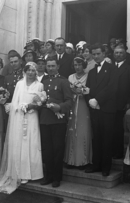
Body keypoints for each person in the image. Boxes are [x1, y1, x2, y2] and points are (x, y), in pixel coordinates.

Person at [0, 62, 44, 194]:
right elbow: (15, 102)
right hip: (19, 116)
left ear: (36, 72)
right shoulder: (19, 84)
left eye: (33, 70)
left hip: (32, 117)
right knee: (19, 142)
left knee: (31, 142)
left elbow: (40, 103)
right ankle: (18, 171)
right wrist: (20, 107)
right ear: (25, 71)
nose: (31, 73)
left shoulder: (40, 85)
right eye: (28, 70)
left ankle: (31, 173)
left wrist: (31, 106)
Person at [85, 43, 118, 176]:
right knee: (96, 137)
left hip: (107, 108)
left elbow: (112, 88)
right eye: (94, 54)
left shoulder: (112, 68)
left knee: (107, 138)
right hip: (95, 109)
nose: (96, 56)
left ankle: (106, 167)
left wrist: (97, 99)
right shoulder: (92, 71)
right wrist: (90, 101)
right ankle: (96, 164)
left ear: (104, 54)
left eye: (99, 53)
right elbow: (88, 89)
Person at [39, 56, 72, 188]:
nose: (51, 68)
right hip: (45, 119)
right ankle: (48, 175)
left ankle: (57, 177)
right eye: (49, 66)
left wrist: (60, 107)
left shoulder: (63, 81)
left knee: (58, 149)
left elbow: (70, 101)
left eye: (53, 66)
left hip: (58, 121)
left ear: (58, 67)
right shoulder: (43, 82)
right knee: (47, 149)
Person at [64, 56, 92, 169]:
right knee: (71, 130)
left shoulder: (88, 76)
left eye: (79, 64)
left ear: (84, 65)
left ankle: (83, 160)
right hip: (72, 104)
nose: (77, 67)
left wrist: (82, 90)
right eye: (75, 65)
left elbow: (90, 90)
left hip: (83, 105)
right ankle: (70, 160)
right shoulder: (70, 77)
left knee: (82, 131)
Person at [112, 44, 130, 159]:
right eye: (116, 52)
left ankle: (119, 152)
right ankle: (111, 151)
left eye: (121, 53)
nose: (118, 55)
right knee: (110, 128)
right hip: (110, 104)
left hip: (122, 103)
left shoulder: (129, 68)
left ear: (125, 54)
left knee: (119, 129)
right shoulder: (110, 67)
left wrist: (129, 102)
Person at [3, 52, 23, 132]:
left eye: (15, 61)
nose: (13, 64)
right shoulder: (7, 77)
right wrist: (5, 104)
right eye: (11, 62)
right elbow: (4, 93)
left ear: (20, 61)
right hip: (10, 108)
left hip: (21, 107)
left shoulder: (25, 76)